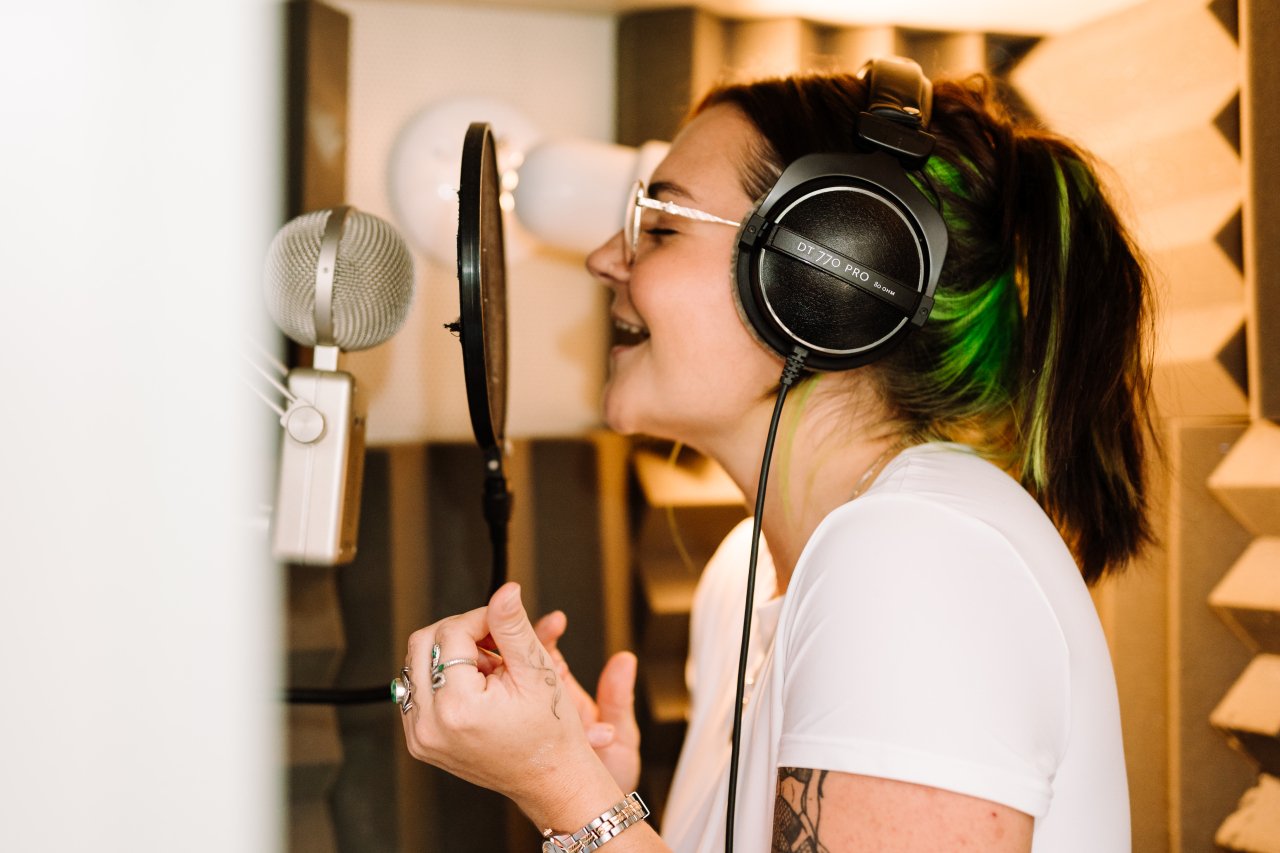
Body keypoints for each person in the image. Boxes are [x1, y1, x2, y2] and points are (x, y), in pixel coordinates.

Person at [396, 61, 1155, 853]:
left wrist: (566, 791)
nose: (602, 261)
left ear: (825, 275)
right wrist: (616, 804)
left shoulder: (917, 557)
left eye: (660, 226)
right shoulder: (743, 575)